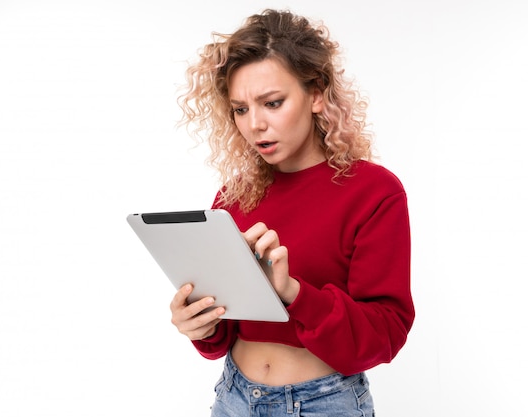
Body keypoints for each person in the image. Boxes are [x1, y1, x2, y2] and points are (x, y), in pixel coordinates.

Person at [170, 8, 414, 416]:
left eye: (272, 103)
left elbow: (386, 332)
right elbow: (224, 334)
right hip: (234, 398)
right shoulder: (234, 196)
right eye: (241, 109)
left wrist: (293, 293)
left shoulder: (374, 192)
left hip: (326, 404)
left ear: (317, 94)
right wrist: (200, 322)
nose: (255, 125)